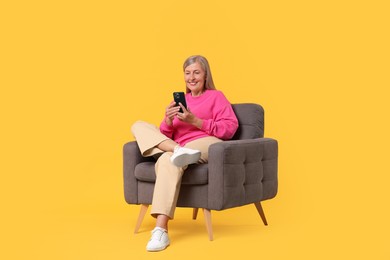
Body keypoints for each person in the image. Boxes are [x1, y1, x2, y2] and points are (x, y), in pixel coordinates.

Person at [131, 55, 239, 252]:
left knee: (167, 159)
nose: (191, 77)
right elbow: (163, 136)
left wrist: (196, 121)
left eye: (196, 72)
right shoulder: (180, 100)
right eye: (187, 73)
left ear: (205, 75)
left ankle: (160, 230)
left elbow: (230, 128)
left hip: (207, 143)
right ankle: (178, 152)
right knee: (139, 127)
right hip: (179, 147)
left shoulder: (216, 96)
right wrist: (168, 121)